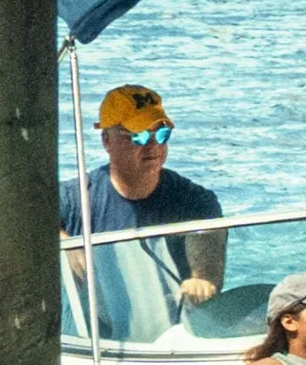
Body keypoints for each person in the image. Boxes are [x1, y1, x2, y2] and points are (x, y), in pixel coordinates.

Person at [59, 84, 225, 304]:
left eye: (162, 134)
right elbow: (23, 218)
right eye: (140, 137)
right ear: (106, 141)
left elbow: (206, 267)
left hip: (172, 327)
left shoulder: (196, 201)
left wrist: (201, 281)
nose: (153, 146)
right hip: (98, 332)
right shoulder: (72, 199)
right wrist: (60, 243)